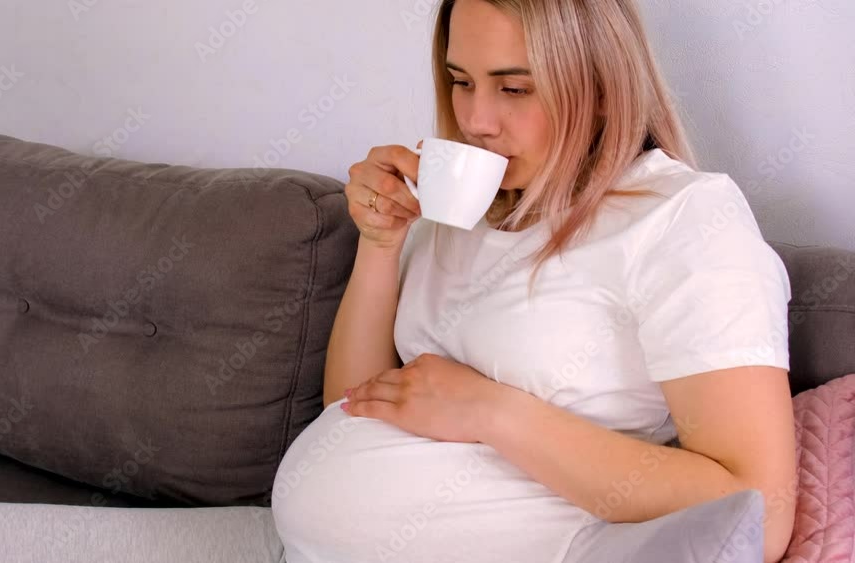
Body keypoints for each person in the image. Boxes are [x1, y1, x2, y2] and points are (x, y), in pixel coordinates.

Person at [270, 1, 797, 563]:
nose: (475, 120)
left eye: (514, 88)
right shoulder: (460, 208)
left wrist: (489, 411)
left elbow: (758, 511)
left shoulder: (684, 219)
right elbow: (353, 410)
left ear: (598, 89)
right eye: (460, 81)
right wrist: (380, 244)